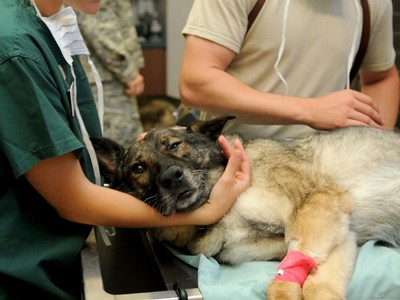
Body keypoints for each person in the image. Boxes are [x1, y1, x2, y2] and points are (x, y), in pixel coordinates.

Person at [0, 0, 251, 299]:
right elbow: (72, 199)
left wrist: (152, 149)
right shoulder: (16, 48)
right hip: (24, 272)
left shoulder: (52, 22)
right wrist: (207, 212)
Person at [179, 0, 400, 140]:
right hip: (239, 163)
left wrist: (375, 145)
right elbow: (196, 83)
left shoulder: (373, 4)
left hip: (331, 166)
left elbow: (381, 77)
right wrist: (309, 110)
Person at [76, 0, 145, 147]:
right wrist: (128, 73)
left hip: (107, 78)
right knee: (119, 150)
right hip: (106, 81)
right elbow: (99, 27)